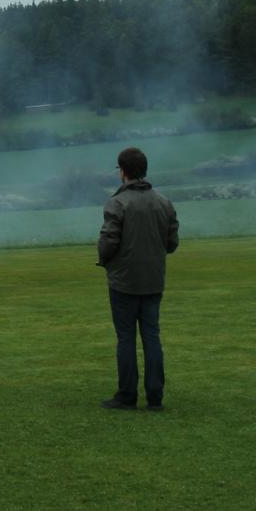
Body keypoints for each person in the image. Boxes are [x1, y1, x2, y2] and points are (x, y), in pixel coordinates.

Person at [97, 146, 179, 411]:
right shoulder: (164, 202)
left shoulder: (117, 203)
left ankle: (127, 395)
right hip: (153, 280)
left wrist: (104, 260)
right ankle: (155, 396)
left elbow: (108, 242)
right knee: (152, 336)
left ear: (122, 171)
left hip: (124, 281)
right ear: (144, 170)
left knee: (126, 338)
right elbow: (172, 243)